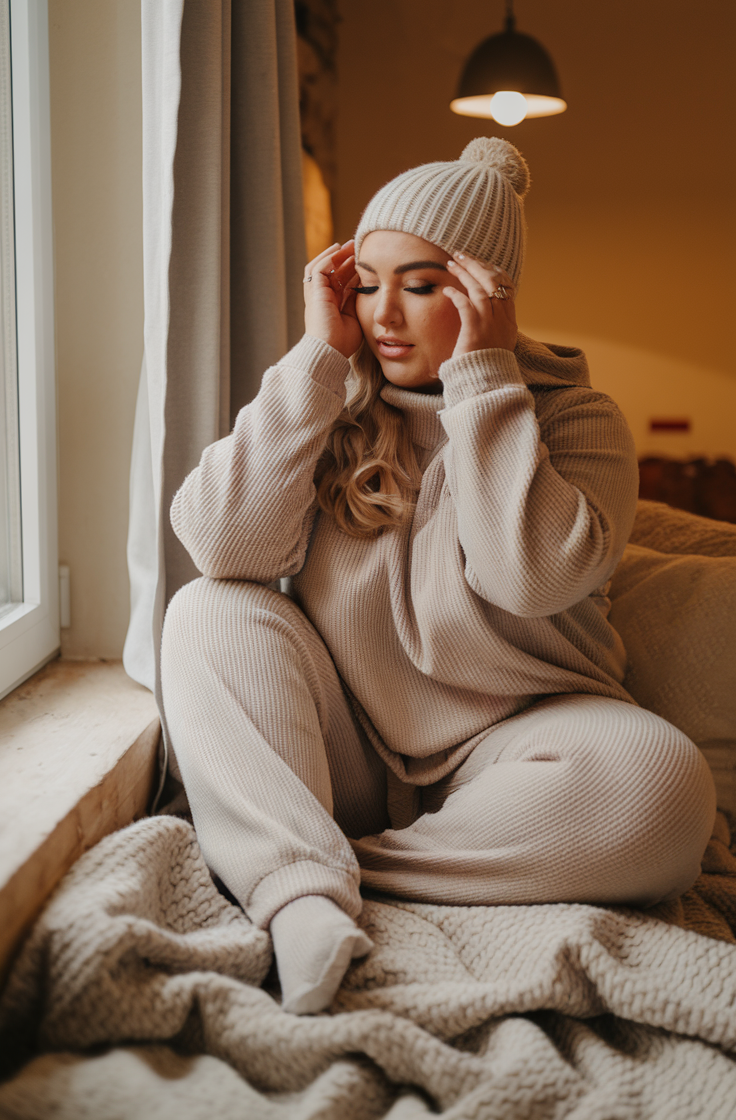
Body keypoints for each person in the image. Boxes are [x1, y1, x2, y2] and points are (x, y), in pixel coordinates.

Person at [161, 137, 716, 1015]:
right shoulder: (332, 402)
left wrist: (485, 383)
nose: (385, 314)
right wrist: (315, 359)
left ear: (487, 293)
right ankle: (301, 897)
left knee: (665, 787)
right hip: (350, 741)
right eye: (367, 282)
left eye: (420, 285)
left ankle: (333, 862)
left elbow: (527, 577)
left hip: (523, 742)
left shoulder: (579, 422)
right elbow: (222, 545)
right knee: (207, 611)